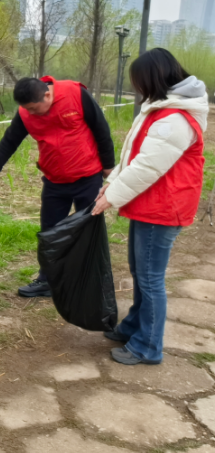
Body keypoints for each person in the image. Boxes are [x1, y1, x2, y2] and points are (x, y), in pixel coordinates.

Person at [93, 49, 207, 365]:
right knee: (140, 271)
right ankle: (134, 327)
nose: (137, 88)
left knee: (150, 278)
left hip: (162, 207)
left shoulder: (175, 118)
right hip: (150, 203)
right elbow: (135, 157)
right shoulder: (163, 109)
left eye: (139, 82)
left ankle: (147, 346)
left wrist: (111, 196)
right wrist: (112, 182)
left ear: (153, 79)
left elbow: (147, 168)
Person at [0, 76, 115, 297]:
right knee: (49, 232)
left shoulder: (76, 95)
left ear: (47, 95)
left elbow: (101, 129)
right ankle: (47, 280)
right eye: (26, 109)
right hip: (54, 181)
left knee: (88, 230)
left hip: (87, 176)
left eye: (34, 108)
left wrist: (109, 167)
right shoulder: (26, 113)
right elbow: (9, 142)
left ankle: (91, 281)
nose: (31, 114)